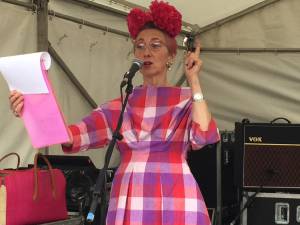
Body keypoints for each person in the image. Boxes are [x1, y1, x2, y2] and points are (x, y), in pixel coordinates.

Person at [9, 1, 220, 224]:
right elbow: (72, 136)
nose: (146, 51)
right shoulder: (120, 105)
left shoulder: (186, 99)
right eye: (140, 46)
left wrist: (194, 80)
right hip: (130, 192)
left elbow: (203, 136)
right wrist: (29, 108)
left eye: (156, 45)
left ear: (171, 56)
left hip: (175, 191)